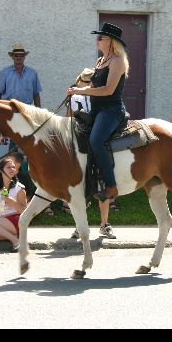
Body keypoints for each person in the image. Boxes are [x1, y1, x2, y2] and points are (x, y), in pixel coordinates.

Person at [66, 23, 128, 201]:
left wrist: (80, 91)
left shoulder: (117, 61)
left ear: (111, 42)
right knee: (76, 132)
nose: (97, 40)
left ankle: (111, 185)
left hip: (111, 110)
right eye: (98, 37)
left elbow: (108, 90)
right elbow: (93, 86)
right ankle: (87, 179)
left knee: (96, 140)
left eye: (101, 38)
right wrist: (75, 89)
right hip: (97, 109)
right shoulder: (100, 61)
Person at [67, 67, 117, 239]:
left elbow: (69, 120)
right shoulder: (97, 95)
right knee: (98, 181)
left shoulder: (75, 96)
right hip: (88, 141)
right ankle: (102, 224)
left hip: (82, 142)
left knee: (83, 184)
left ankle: (82, 225)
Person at [0, 43, 42, 107]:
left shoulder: (32, 73)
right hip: (9, 109)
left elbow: (36, 94)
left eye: (21, 55)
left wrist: (38, 111)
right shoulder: (4, 73)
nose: (19, 58)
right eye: (16, 55)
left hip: (27, 109)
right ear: (12, 57)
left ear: (24, 57)